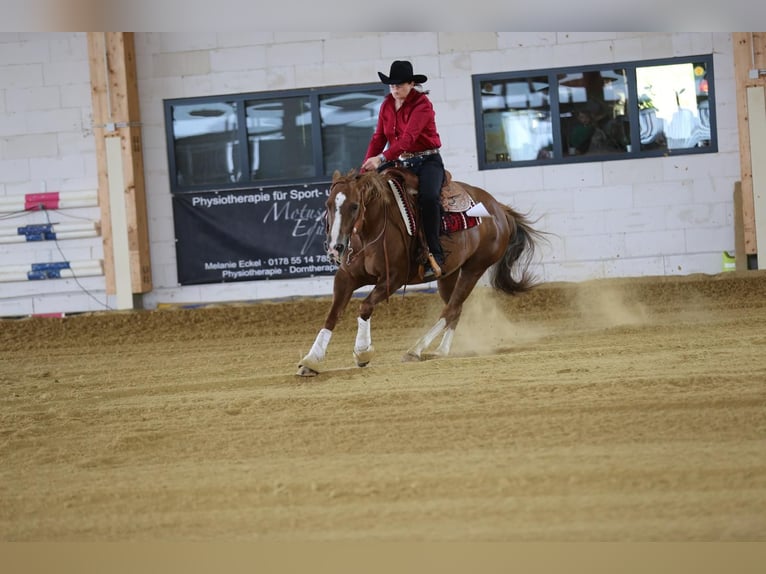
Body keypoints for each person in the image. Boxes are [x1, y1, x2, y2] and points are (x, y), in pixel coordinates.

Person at [361, 60, 445, 279]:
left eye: (399, 85)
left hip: (428, 162)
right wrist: (365, 169)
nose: (394, 89)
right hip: (402, 162)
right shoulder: (387, 104)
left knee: (428, 198)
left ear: (411, 84)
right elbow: (379, 137)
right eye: (391, 86)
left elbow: (408, 139)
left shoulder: (422, 104)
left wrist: (381, 158)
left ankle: (435, 253)